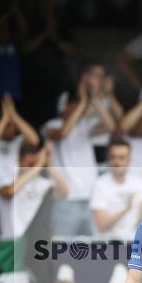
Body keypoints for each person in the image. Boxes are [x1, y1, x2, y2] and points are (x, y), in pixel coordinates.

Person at [44, 86, 102, 236]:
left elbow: (111, 126)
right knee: (62, 247)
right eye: (74, 103)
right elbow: (62, 133)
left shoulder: (86, 125)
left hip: (90, 199)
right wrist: (83, 104)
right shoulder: (51, 125)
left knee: (92, 248)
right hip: (65, 199)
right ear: (65, 105)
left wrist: (95, 101)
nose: (79, 107)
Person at [0, 95, 40, 235]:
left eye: (12, 125)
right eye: (7, 125)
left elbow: (35, 140)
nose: (11, 128)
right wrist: (5, 118)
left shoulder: (17, 142)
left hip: (12, 205)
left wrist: (13, 115)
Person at [0, 142, 68, 239]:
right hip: (11, 239)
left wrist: (48, 165)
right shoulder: (8, 177)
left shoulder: (41, 182)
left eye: (33, 162)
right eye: (28, 162)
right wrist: (38, 165)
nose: (31, 165)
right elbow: (9, 191)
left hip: (34, 239)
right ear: (19, 159)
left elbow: (64, 192)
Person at [90, 138, 142, 240]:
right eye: (113, 157)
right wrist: (126, 208)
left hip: (133, 241)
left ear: (129, 160)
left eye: (121, 157)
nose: (117, 162)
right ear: (108, 159)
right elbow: (101, 225)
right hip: (107, 243)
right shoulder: (99, 185)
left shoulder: (139, 183)